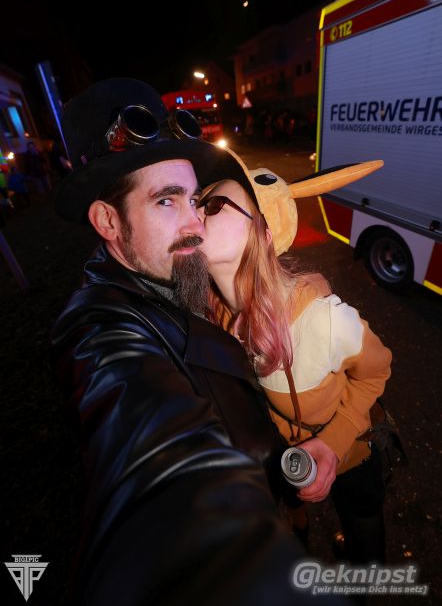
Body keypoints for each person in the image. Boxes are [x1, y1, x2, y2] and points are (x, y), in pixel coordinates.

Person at [50, 79, 341, 606]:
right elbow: (158, 458)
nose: (196, 225)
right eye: (166, 201)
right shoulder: (99, 329)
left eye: (193, 200)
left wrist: (285, 459)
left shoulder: (174, 278)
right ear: (108, 221)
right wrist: (240, 566)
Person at [195, 155, 392, 566]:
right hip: (284, 458)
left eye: (212, 205)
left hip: (351, 457)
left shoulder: (325, 321)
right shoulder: (213, 315)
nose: (194, 211)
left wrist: (335, 444)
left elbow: (377, 373)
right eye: (196, 201)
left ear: (262, 235)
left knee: (366, 549)